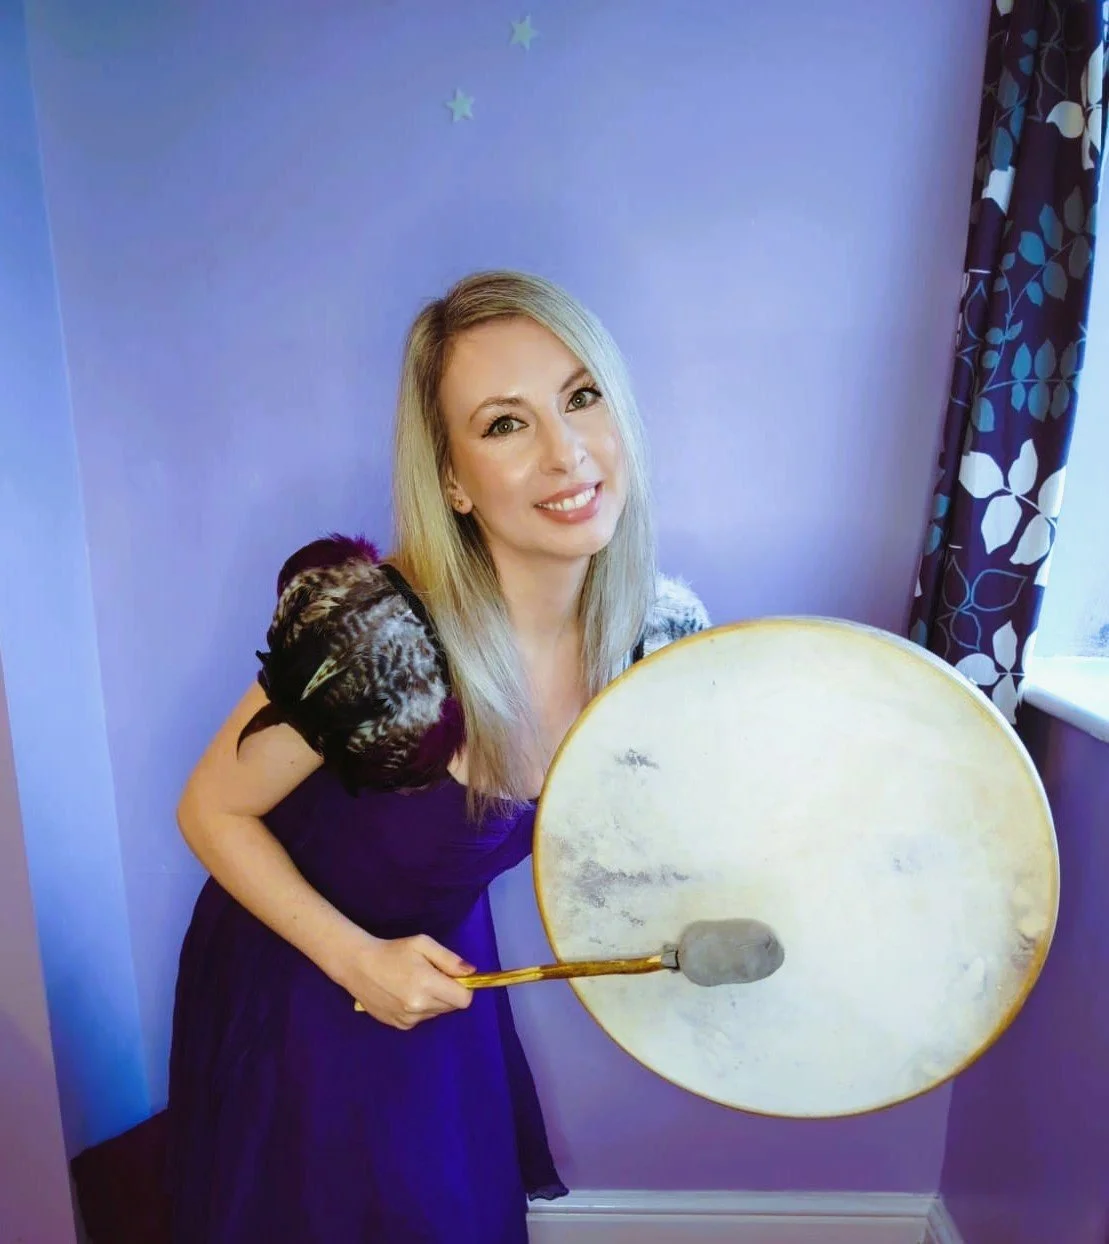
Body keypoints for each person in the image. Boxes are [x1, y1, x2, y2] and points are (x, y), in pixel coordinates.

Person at [165, 269, 711, 1243]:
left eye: (580, 397)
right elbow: (209, 807)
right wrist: (354, 959)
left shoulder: (651, 638)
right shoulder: (377, 636)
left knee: (447, 1210)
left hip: (440, 972)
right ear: (451, 478)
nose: (566, 451)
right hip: (294, 965)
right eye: (506, 423)